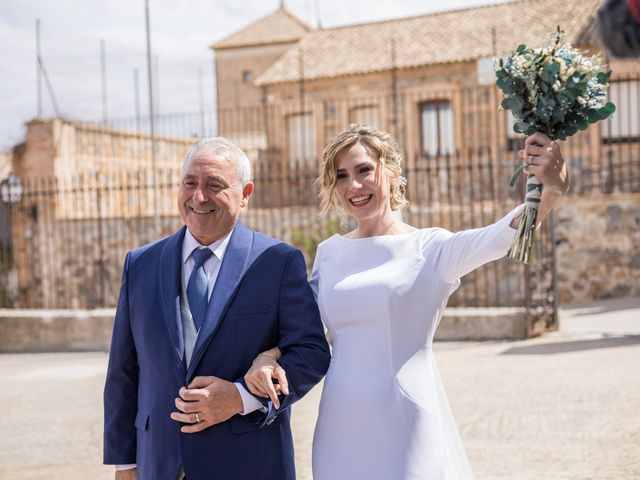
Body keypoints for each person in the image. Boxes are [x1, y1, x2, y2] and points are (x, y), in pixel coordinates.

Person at [245, 124, 569, 479]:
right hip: (341, 420)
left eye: (364, 170)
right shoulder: (329, 253)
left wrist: (549, 190)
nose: (354, 185)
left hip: (406, 414)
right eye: (341, 176)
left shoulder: (430, 248)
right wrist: (267, 355)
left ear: (392, 172)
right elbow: (299, 326)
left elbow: (502, 236)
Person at [103, 137, 331, 480]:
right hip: (159, 464)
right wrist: (125, 464)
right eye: (189, 183)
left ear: (245, 194)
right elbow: (124, 371)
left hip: (249, 463)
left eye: (215, 185)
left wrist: (240, 397)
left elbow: (311, 353)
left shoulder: (278, 263)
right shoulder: (140, 265)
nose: (198, 196)